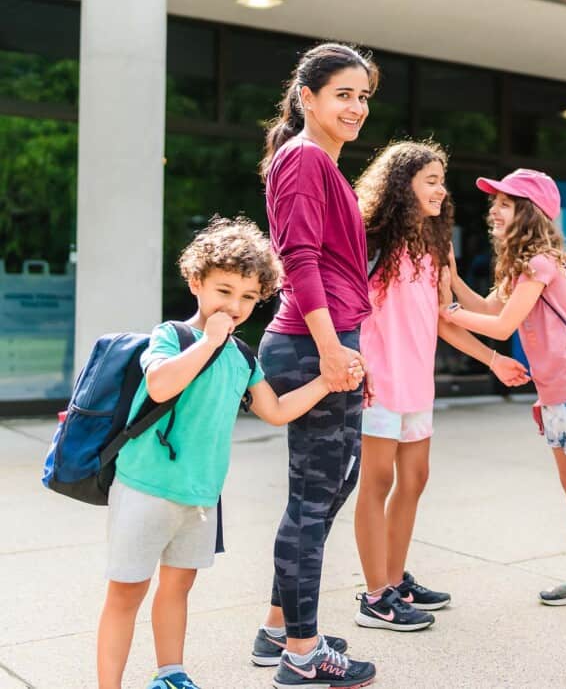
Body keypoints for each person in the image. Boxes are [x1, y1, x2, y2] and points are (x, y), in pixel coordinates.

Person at [96, 217, 363, 689]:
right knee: (127, 592)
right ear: (196, 282)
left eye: (246, 297)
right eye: (224, 291)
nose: (235, 306)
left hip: (199, 496)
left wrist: (328, 381)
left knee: (178, 588)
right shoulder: (173, 336)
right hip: (145, 489)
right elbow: (161, 384)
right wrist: (209, 341)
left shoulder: (242, 356)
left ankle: (170, 674)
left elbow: (276, 411)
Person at [442, 169, 566, 627]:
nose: (493, 210)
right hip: (552, 392)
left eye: (505, 203)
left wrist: (446, 313)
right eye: (494, 202)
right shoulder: (521, 264)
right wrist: (454, 282)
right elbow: (491, 308)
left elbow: (501, 327)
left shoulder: (540, 263)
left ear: (527, 213)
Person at [350, 141, 529, 632]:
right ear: (401, 183)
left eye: (440, 179)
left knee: (415, 479)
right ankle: (374, 595)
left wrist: (494, 360)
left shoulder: (435, 244)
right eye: (431, 179)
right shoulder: (371, 238)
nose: (440, 189)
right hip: (378, 377)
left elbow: (443, 319)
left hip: (417, 379)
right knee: (379, 481)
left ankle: (394, 577)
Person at [250, 43, 379, 688]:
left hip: (329, 342)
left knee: (330, 489)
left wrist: (353, 350)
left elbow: (337, 269)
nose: (356, 107)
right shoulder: (303, 159)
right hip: (309, 344)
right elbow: (298, 261)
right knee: (312, 501)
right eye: (344, 94)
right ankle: (302, 654)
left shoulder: (321, 164)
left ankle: (281, 626)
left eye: (363, 96)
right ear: (308, 97)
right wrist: (332, 350)